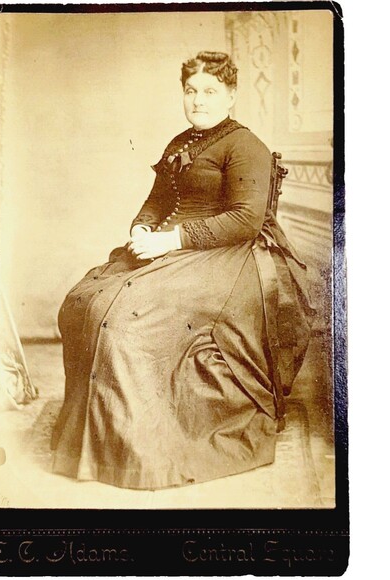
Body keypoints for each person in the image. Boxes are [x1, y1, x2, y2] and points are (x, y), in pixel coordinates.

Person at [50, 51, 314, 490]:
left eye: (210, 91)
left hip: (228, 257)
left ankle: (136, 448)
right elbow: (157, 200)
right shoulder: (180, 142)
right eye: (191, 91)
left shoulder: (245, 146)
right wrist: (142, 227)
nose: (199, 100)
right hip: (171, 247)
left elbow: (245, 220)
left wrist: (170, 240)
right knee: (84, 302)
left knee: (123, 320)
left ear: (231, 95)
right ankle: (96, 440)